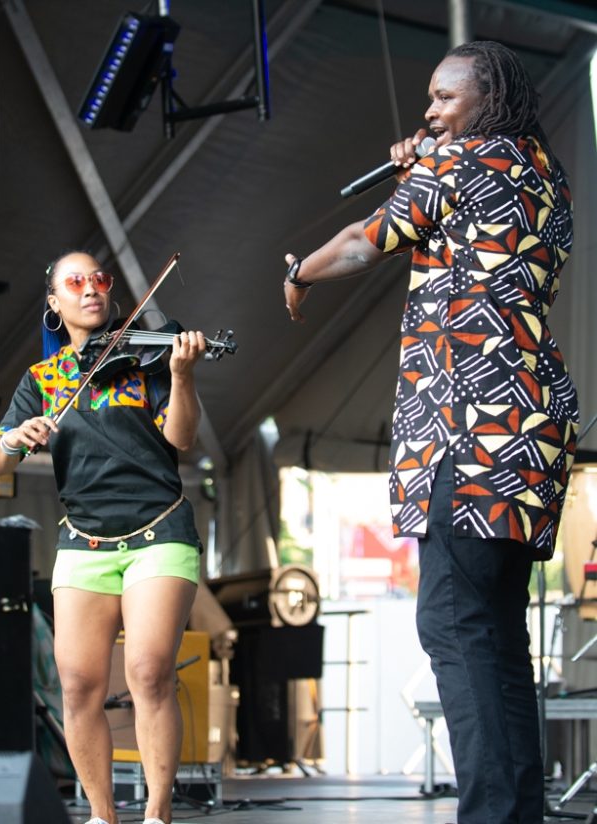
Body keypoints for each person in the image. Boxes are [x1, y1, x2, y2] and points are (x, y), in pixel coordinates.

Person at [282, 41, 576, 823]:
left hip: (469, 428)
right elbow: (458, 237)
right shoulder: (545, 175)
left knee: (452, 620)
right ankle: (515, 814)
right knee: (496, 633)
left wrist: (297, 273)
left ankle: (493, 815)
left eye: (446, 98)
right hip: (532, 432)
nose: (430, 110)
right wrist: (421, 172)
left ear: (488, 100)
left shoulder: (456, 164)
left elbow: (362, 241)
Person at [0, 252, 206, 824]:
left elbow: (182, 438)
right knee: (79, 684)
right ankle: (102, 816)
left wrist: (181, 376)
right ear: (54, 302)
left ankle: (157, 813)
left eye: (100, 280)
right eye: (76, 282)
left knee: (149, 671)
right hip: (84, 540)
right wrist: (15, 439)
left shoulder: (147, 360)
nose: (91, 289)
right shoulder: (42, 379)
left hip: (159, 532)